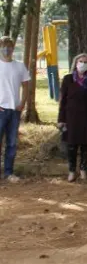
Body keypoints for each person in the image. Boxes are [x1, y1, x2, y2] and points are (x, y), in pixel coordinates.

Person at [57, 53, 87, 182]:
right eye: (80, 61)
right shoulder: (68, 79)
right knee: (72, 144)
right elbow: (63, 100)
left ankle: (83, 168)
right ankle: (71, 170)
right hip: (71, 116)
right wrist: (61, 119)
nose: (82, 64)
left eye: (85, 62)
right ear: (75, 63)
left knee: (85, 144)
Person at [0, 37, 30, 183]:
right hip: (1, 110)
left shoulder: (19, 66)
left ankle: (8, 172)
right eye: (4, 46)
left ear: (13, 48)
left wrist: (22, 103)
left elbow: (26, 86)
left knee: (11, 143)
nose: (6, 49)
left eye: (9, 46)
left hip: (15, 111)